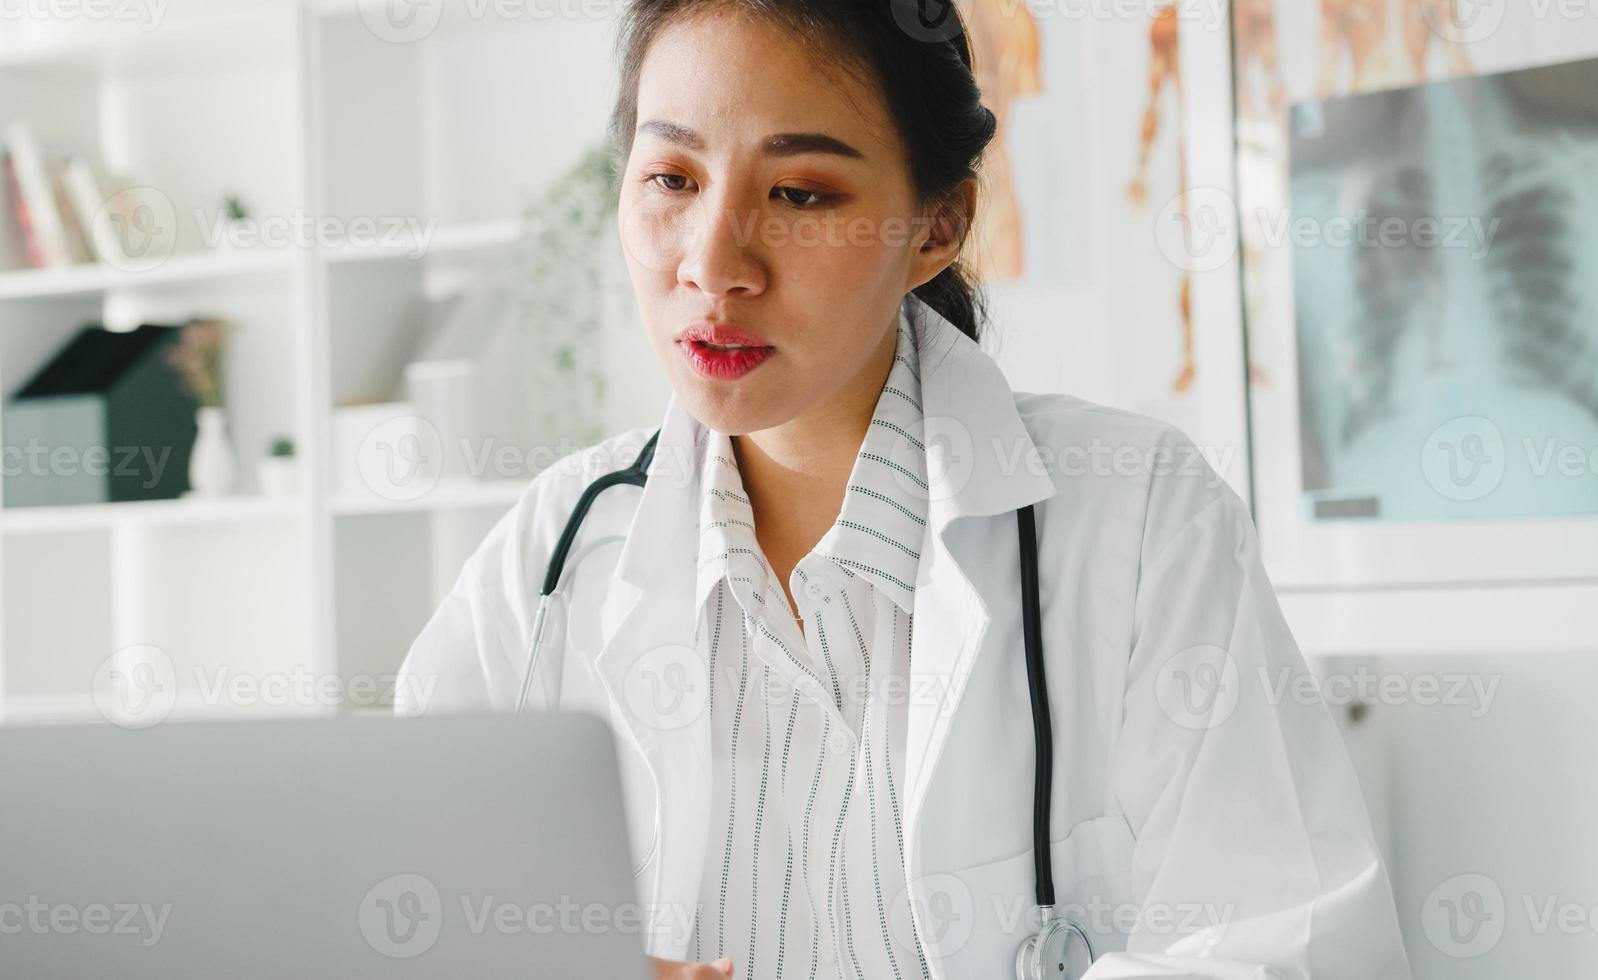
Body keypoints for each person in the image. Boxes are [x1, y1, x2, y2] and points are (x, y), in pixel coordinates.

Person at [396, 1, 1411, 977]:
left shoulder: (1141, 519)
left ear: (936, 224)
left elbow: (1285, 945)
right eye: (669, 177)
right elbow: (400, 920)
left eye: (798, 193)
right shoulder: (546, 561)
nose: (713, 263)